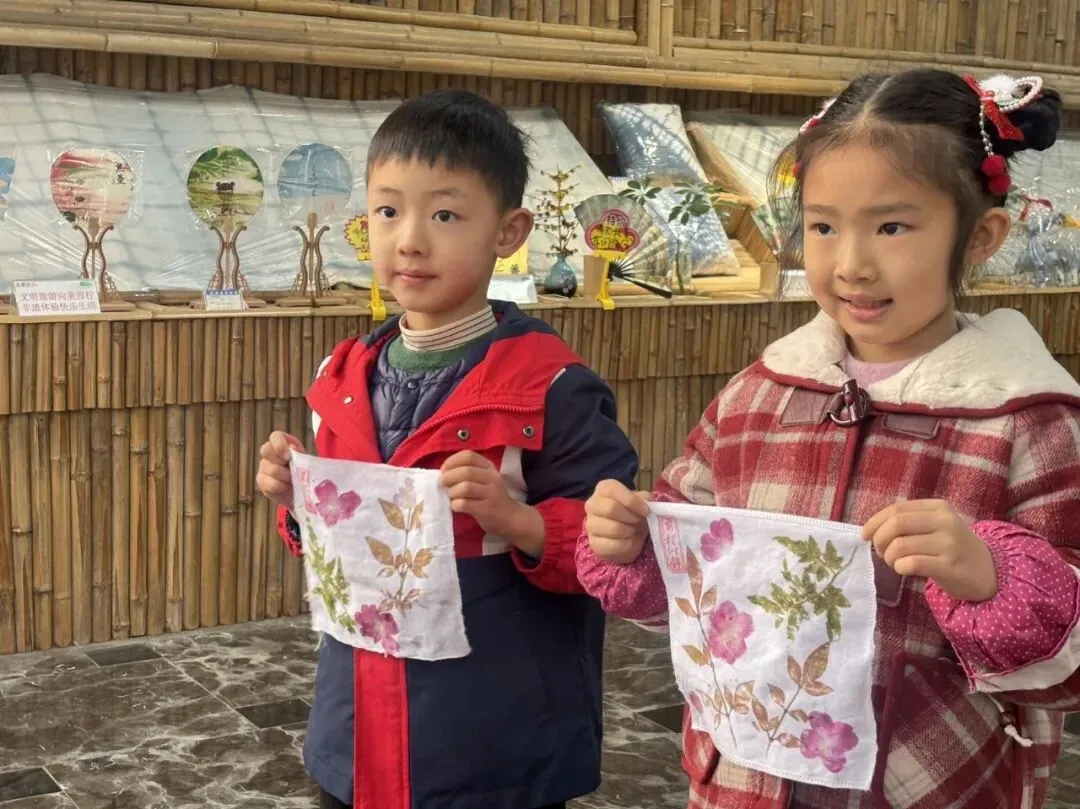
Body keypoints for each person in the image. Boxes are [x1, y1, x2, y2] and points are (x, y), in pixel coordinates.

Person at [577, 68, 1080, 809]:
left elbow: (1069, 671)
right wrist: (635, 545)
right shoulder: (756, 399)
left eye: (891, 227)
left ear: (980, 236)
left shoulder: (1028, 421)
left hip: (935, 786)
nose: (851, 264)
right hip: (743, 782)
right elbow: (688, 593)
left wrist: (992, 580)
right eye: (822, 227)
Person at [256, 89, 639, 809]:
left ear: (509, 231)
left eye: (444, 215)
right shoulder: (340, 379)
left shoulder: (552, 387)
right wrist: (298, 502)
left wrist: (518, 521)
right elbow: (339, 550)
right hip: (355, 726)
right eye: (387, 211)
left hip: (492, 742)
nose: (409, 240)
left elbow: (612, 554)